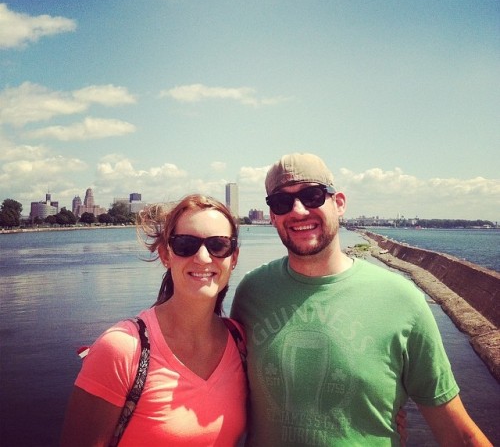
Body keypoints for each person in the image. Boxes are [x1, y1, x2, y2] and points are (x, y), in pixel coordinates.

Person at [230, 153, 492, 446]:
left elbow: (458, 433)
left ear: (339, 203)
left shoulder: (401, 300)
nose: (298, 211)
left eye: (312, 195)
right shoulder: (252, 292)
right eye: (281, 202)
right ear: (273, 214)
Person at [61, 194, 246, 446]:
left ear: (233, 258)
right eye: (185, 244)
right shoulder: (121, 349)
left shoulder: (240, 341)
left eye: (219, 245)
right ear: (166, 255)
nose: (203, 258)